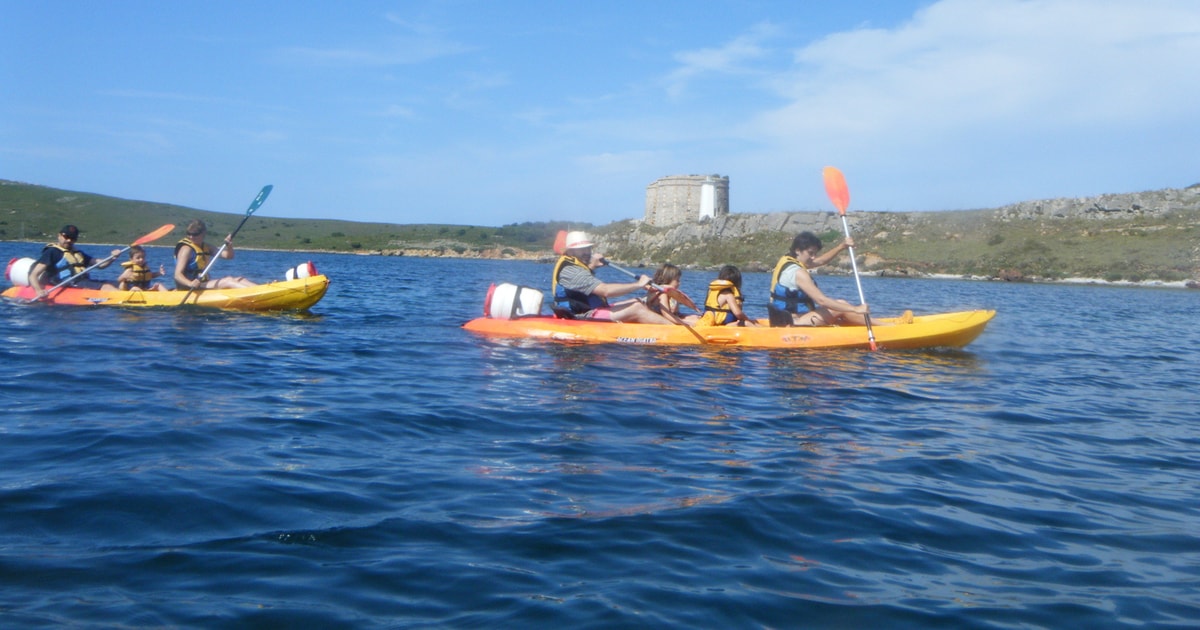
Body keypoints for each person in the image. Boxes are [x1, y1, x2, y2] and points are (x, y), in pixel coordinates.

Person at [551, 231, 675, 324]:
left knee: (638, 301)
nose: (586, 253)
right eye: (581, 250)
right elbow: (605, 291)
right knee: (637, 308)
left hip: (593, 310)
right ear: (570, 251)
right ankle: (675, 331)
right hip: (579, 316)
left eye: (587, 248)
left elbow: (582, 282)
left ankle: (670, 322)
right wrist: (639, 284)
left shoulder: (577, 264)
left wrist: (592, 266)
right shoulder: (570, 270)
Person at [768, 231, 870, 326]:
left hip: (782, 319)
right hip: (794, 322)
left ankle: (880, 325)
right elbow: (822, 301)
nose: (813, 257)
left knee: (842, 316)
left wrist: (841, 247)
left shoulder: (787, 261)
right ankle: (883, 328)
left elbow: (820, 261)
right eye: (810, 253)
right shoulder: (798, 273)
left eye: (815, 254)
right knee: (841, 306)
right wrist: (855, 309)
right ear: (798, 251)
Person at [28, 224, 121, 298]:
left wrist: (112, 258)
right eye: (66, 237)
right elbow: (34, 275)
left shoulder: (77, 253)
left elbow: (100, 264)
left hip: (83, 281)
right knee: (106, 287)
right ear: (59, 235)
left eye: (72, 238)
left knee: (120, 284)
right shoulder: (52, 252)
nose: (69, 240)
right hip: (68, 283)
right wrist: (38, 290)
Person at [173, 220, 257, 290]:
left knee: (240, 279)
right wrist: (190, 283)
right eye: (189, 234)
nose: (191, 237)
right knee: (228, 281)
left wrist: (229, 246)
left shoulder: (207, 247)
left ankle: (262, 290)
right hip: (188, 287)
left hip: (201, 284)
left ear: (203, 233)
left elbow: (228, 256)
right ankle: (256, 295)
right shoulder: (186, 249)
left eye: (195, 234)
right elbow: (177, 275)